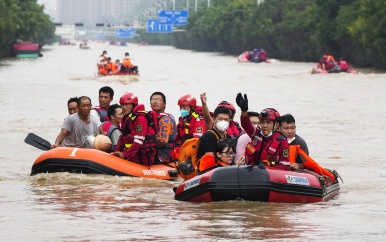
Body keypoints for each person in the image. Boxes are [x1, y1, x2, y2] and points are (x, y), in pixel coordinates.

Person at [236, 93, 290, 170]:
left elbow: (285, 166)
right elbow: (246, 124)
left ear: (276, 124)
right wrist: (244, 111)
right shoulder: (256, 133)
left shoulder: (282, 141)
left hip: (269, 176)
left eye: (268, 122)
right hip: (250, 172)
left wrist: (266, 168)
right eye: (262, 122)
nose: (264, 125)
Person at [113, 93, 157, 166]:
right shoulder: (126, 118)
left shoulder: (140, 118)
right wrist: (116, 151)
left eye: (127, 105)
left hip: (142, 157)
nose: (124, 107)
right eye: (122, 105)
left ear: (133, 104)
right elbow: (122, 138)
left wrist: (125, 154)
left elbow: (138, 141)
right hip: (132, 155)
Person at [149, 92, 177, 163]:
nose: (155, 101)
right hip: (154, 153)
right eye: (153, 100)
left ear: (164, 104)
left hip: (162, 156)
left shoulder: (165, 119)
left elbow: (162, 141)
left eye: (158, 100)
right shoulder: (150, 118)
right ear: (150, 104)